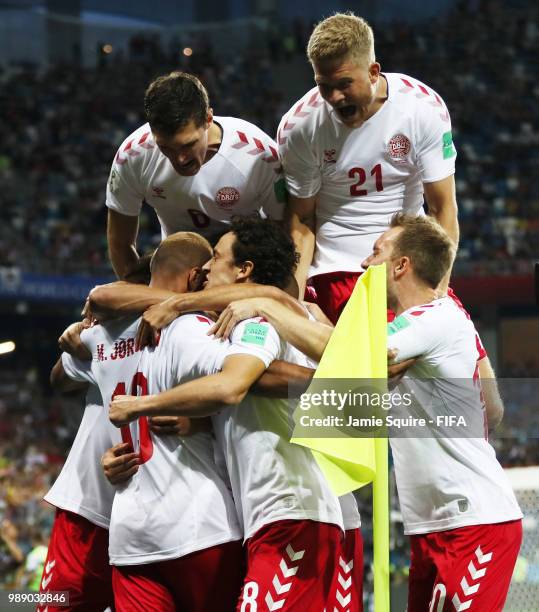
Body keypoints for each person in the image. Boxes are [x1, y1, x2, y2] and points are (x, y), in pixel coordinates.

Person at [210, 214, 522, 611]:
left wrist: (265, 304)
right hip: (433, 523)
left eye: (376, 253)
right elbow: (492, 410)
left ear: (401, 265)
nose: (363, 265)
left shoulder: (433, 318)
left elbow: (341, 354)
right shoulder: (426, 324)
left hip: (474, 521)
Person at [108, 217, 356, 611]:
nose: (206, 267)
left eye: (218, 258)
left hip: (291, 512)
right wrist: (196, 420)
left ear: (244, 270)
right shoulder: (272, 313)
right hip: (280, 516)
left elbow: (231, 386)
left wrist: (141, 405)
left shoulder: (257, 318)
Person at [40, 252, 205, 612]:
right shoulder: (111, 332)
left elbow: (59, 376)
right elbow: (59, 376)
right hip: (102, 506)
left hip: (144, 516)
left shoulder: (189, 328)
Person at [278, 12, 458, 323]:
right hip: (337, 271)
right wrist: (293, 301)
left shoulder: (422, 109)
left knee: (473, 362)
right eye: (324, 85)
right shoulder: (300, 127)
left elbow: (442, 209)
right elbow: (301, 219)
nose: (334, 97)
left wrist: (438, 294)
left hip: (406, 265)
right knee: (385, 365)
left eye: (344, 84)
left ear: (373, 72)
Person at [106, 71, 285, 279]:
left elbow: (283, 236)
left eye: (188, 145)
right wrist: (141, 298)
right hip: (179, 268)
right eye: (166, 148)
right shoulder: (132, 156)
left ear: (208, 119)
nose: (180, 159)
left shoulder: (259, 155)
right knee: (102, 298)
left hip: (242, 268)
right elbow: (120, 244)